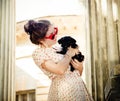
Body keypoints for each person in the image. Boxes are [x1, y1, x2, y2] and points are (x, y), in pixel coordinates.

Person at [24, 19, 93, 101]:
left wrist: (80, 67)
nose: (56, 35)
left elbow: (77, 73)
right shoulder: (38, 53)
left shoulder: (58, 47)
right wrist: (69, 53)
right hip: (64, 91)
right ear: (41, 39)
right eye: (52, 35)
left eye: (55, 31)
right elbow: (60, 70)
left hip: (79, 88)